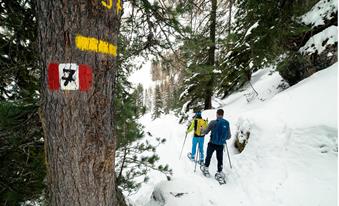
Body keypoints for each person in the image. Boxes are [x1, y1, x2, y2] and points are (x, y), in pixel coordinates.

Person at [200, 109, 231, 177]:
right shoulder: (227, 123)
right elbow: (229, 136)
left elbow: (205, 132)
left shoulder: (212, 122)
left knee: (208, 156)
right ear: (223, 114)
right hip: (220, 145)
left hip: (212, 143)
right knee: (220, 158)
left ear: (217, 114)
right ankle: (220, 171)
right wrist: (223, 138)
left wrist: (201, 130)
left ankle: (206, 168)